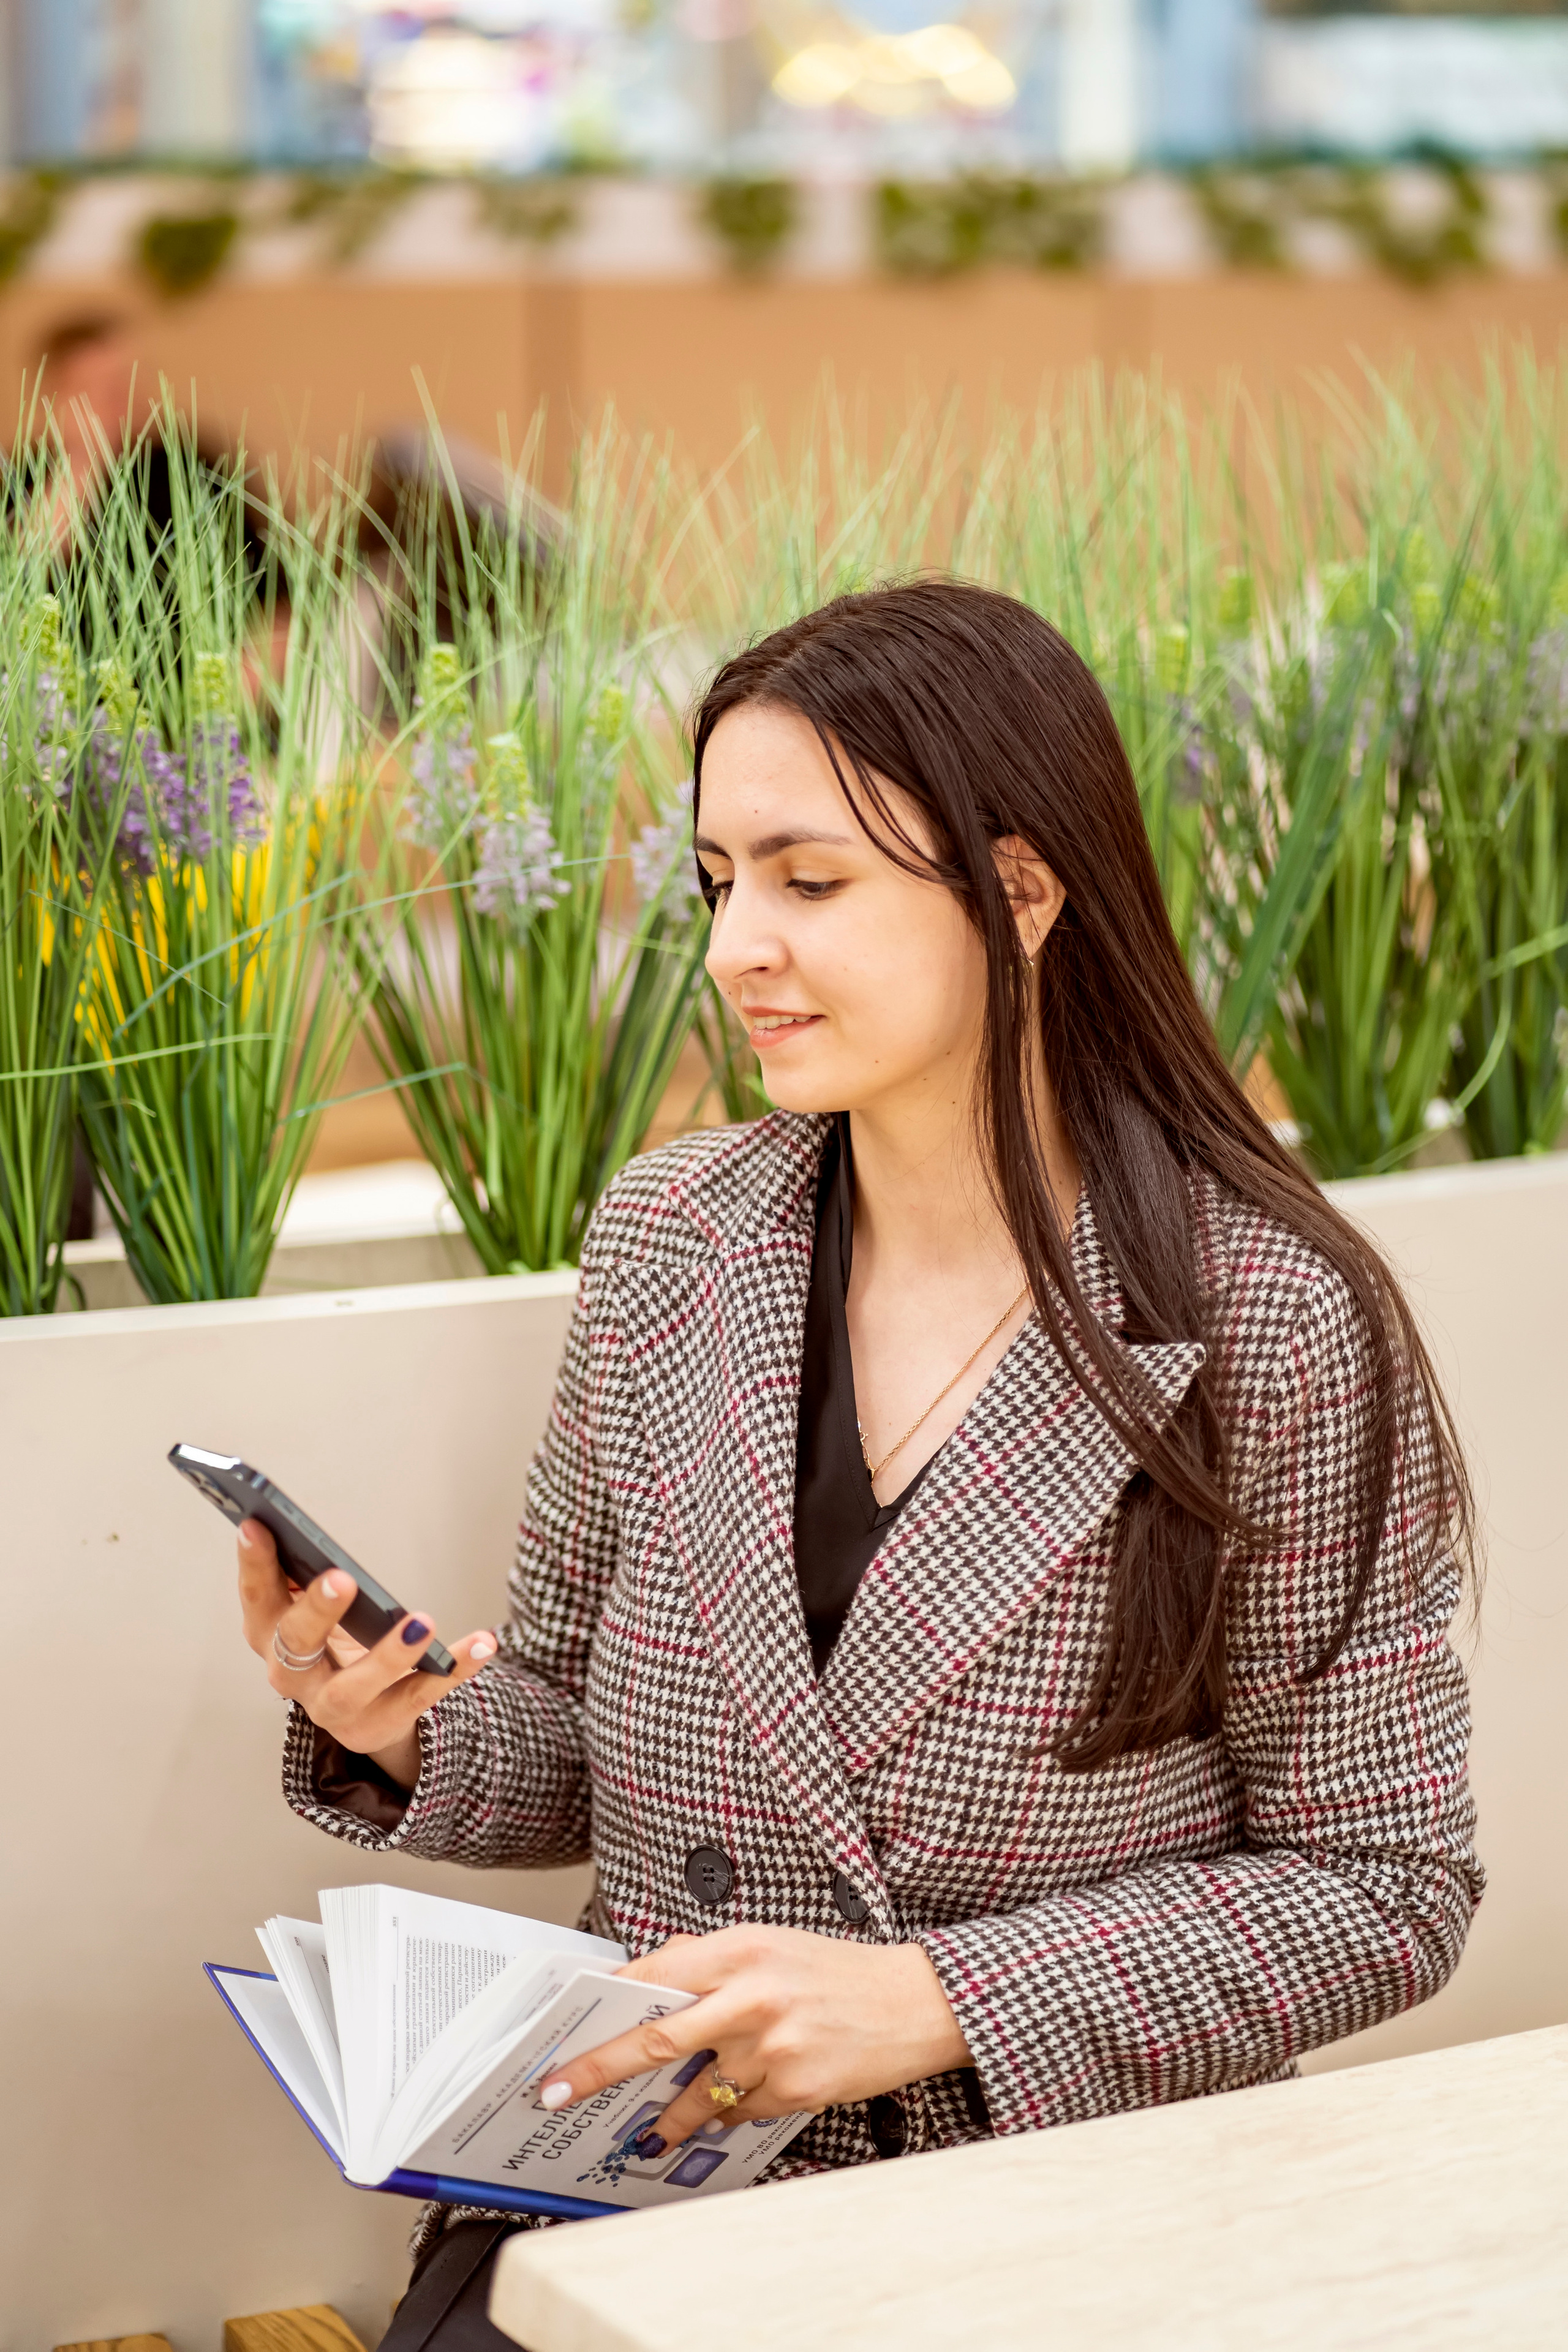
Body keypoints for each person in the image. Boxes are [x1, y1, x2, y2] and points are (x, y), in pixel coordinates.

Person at [235, 581, 1483, 2349]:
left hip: (1060, 2212)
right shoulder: (674, 1240)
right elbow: (588, 1745)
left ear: (1024, 894)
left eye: (809, 881)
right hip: (634, 2180)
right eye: (718, 881)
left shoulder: (1272, 1318)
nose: (739, 943)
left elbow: (1384, 1888)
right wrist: (404, 1727)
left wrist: (935, 1999)